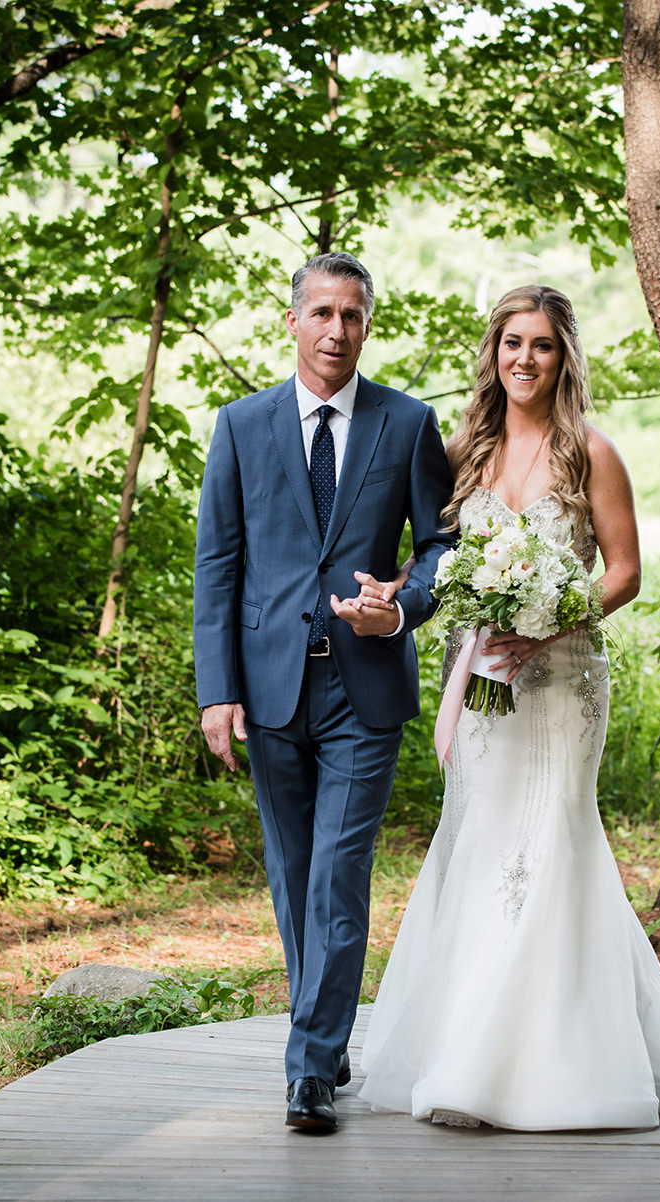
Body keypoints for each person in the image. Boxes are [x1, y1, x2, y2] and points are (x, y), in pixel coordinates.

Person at [353, 285, 660, 1130]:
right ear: (494, 352)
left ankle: (530, 1068)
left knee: (549, 846)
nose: (524, 359)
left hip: (564, 684)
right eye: (512, 342)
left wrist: (551, 625)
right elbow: (438, 556)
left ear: (562, 357)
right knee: (480, 844)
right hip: (481, 680)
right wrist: (400, 588)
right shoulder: (463, 452)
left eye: (542, 345)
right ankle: (468, 1045)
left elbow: (623, 573)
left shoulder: (592, 454)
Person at [192, 252, 456, 1135]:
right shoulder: (239, 426)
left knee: (338, 875)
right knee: (291, 872)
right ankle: (328, 1030)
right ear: (294, 320)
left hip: (365, 690)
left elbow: (445, 546)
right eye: (322, 314)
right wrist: (216, 691)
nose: (336, 330)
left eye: (352, 315)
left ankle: (308, 1069)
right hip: (267, 692)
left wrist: (404, 607)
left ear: (367, 325)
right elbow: (219, 568)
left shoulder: (408, 423)